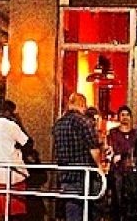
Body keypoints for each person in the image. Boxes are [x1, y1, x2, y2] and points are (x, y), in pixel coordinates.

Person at [53, 93, 103, 221]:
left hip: (65, 174)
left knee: (72, 210)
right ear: (82, 104)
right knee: (89, 210)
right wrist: (99, 167)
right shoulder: (84, 122)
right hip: (83, 174)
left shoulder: (58, 124)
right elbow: (93, 148)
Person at [0, 100, 32, 220]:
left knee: (3, 212)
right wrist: (19, 122)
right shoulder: (11, 125)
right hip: (13, 174)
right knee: (15, 211)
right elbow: (27, 143)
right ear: (9, 111)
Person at [106, 106, 137, 221]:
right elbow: (110, 149)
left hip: (131, 170)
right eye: (122, 115)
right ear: (119, 117)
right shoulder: (113, 133)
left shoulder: (135, 134)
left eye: (127, 115)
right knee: (117, 199)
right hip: (117, 170)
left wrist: (124, 155)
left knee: (131, 200)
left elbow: (135, 151)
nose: (125, 117)